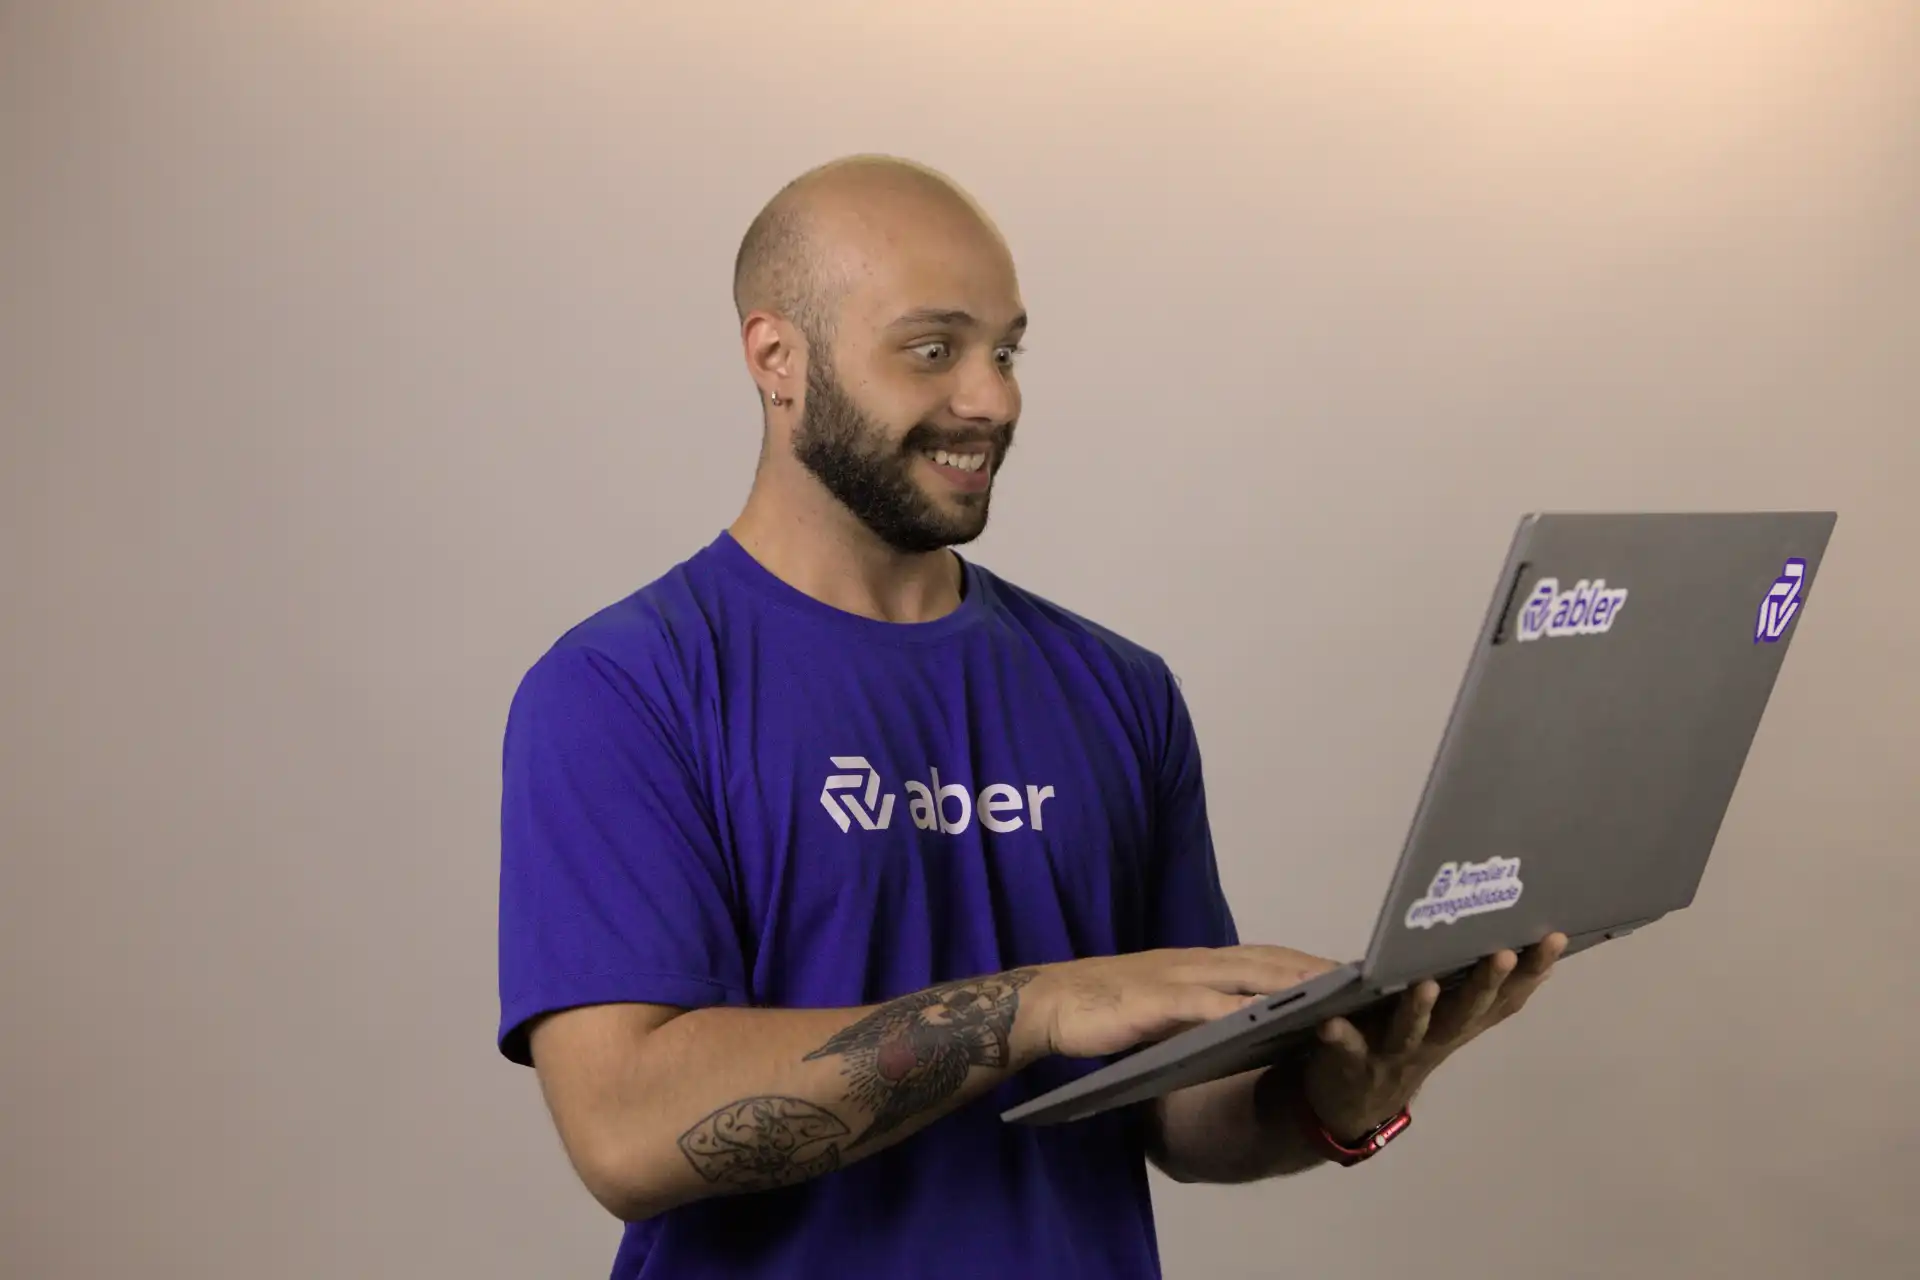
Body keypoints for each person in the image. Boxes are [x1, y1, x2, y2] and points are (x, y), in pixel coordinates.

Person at [495, 154, 1565, 1279]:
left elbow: (1181, 1109)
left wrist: (1336, 1093)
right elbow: (625, 1127)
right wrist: (1039, 1004)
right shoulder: (625, 686)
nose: (991, 398)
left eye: (1005, 350)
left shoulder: (1118, 690)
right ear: (777, 358)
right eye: (932, 348)